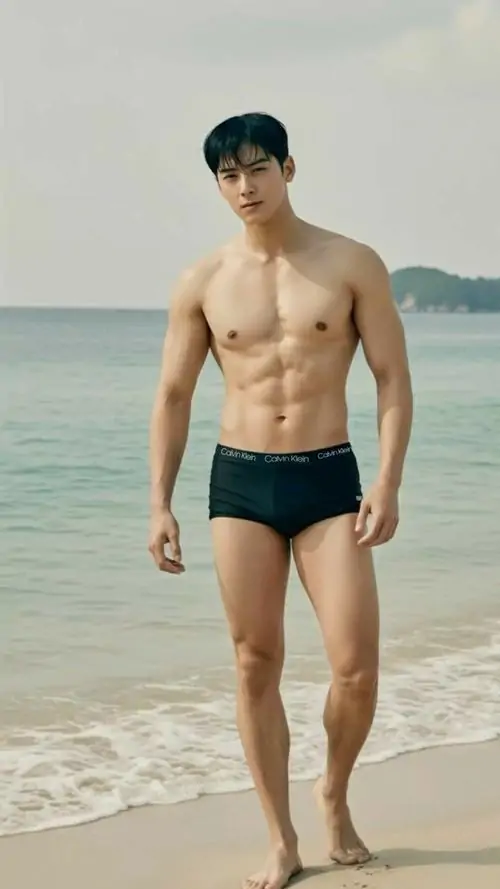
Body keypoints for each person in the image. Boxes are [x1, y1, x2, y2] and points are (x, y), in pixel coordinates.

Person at [148, 112, 413, 889]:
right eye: (229, 175)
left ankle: (333, 790)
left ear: (288, 169)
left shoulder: (350, 263)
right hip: (241, 481)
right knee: (254, 661)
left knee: (356, 666)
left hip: (328, 477)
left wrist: (388, 480)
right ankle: (281, 836)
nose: (245, 187)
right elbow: (173, 394)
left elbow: (392, 379)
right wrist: (159, 501)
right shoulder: (202, 281)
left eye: (258, 168)